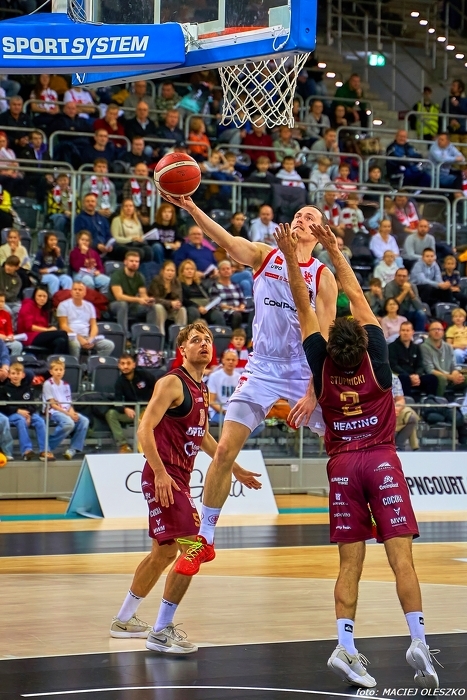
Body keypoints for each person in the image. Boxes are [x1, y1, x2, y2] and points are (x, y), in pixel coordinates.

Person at [273, 221, 439, 690]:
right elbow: (356, 295)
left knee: (350, 565)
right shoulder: (378, 361)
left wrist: (289, 258)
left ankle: (345, 646)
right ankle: (418, 641)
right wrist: (333, 247)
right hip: (382, 460)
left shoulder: (320, 365)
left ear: (329, 347)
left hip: (343, 466)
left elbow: (303, 305)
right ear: (365, 339)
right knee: (402, 561)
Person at [163, 198, 336, 576]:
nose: (300, 219)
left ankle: (362, 506)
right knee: (225, 449)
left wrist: (313, 391)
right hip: (261, 368)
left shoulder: (323, 276)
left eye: (309, 217)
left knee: (341, 441)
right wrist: (192, 209)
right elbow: (224, 239)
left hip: (303, 369)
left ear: (319, 233)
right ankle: (205, 538)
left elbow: (324, 338)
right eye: (297, 215)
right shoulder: (264, 255)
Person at [110, 323, 261, 651]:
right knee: (194, 548)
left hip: (176, 478)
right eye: (196, 340)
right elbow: (144, 429)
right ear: (182, 350)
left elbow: (202, 436)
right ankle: (161, 630)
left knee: (163, 553)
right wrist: (160, 473)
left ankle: (124, 619)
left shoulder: (202, 389)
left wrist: (233, 468)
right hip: (164, 478)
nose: (204, 344)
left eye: (208, 340)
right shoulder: (172, 383)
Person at [105, 354, 157, 454]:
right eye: (122, 364)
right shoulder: (119, 382)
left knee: (144, 416)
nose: (125, 366)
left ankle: (144, 449)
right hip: (132, 412)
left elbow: (158, 387)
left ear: (134, 364)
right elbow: (117, 401)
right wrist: (124, 409)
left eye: (128, 363)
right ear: (119, 366)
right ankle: (123, 446)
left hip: (148, 409)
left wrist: (152, 404)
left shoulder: (143, 375)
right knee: (111, 414)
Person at [0, 361, 52, 461]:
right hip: (12, 414)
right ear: (9, 375)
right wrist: (18, 410)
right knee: (21, 420)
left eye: (18, 373)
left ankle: (45, 451)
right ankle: (26, 451)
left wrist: (28, 414)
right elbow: (3, 407)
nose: (15, 376)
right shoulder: (3, 389)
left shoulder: (28, 389)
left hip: (28, 414)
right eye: (13, 373)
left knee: (40, 421)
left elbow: (33, 405)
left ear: (23, 375)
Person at [42, 358, 89, 460]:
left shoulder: (66, 385)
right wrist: (69, 415)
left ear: (64, 371)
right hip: (53, 411)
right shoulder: (48, 384)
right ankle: (47, 446)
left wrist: (73, 413)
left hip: (66, 411)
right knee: (69, 423)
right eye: (56, 370)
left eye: (61, 370)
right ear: (51, 371)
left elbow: (68, 403)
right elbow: (53, 405)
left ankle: (73, 449)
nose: (59, 372)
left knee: (84, 420)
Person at [56, 281, 114, 359]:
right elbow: (63, 326)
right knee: (75, 344)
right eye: (75, 289)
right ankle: (75, 364)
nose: (77, 292)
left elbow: (94, 325)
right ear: (71, 291)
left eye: (80, 290)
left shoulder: (89, 306)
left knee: (109, 345)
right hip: (71, 337)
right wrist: (79, 338)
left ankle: (93, 363)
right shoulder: (63, 305)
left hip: (87, 337)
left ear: (84, 293)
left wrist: (91, 339)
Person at [108, 250, 157, 335]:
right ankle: (124, 336)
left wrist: (147, 300)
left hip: (131, 305)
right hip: (115, 305)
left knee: (151, 307)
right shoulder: (117, 275)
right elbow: (119, 297)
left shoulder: (140, 276)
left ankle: (149, 334)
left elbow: (143, 294)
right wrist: (138, 300)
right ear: (125, 262)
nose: (134, 263)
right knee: (122, 304)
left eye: (137, 261)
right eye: (131, 261)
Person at [388, 321, 438, 398]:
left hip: (415, 377)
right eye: (403, 330)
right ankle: (408, 401)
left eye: (407, 330)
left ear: (412, 332)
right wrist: (409, 376)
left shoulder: (416, 347)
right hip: (401, 376)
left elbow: (420, 365)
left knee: (432, 378)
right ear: (399, 332)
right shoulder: (392, 347)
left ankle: (431, 400)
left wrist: (417, 375)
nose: (405, 333)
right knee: (404, 378)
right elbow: (394, 365)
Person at [17, 286, 69, 355]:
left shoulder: (44, 310)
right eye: (39, 296)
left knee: (60, 341)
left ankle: (56, 360)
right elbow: (29, 327)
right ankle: (67, 359)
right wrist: (48, 330)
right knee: (62, 333)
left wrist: (49, 330)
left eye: (44, 296)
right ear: (34, 296)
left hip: (41, 335)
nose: (42, 298)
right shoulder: (28, 305)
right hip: (28, 336)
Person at [420, 320, 467, 396]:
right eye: (434, 329)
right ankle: (438, 401)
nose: (437, 331)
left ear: (443, 332)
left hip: (450, 378)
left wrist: (456, 375)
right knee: (441, 378)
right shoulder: (423, 347)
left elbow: (454, 366)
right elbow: (429, 370)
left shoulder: (448, 347)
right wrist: (451, 377)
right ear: (429, 332)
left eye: (439, 329)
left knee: (464, 378)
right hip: (436, 378)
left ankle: (463, 403)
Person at [178, 259, 224, 325]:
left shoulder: (199, 284)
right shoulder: (179, 285)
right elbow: (183, 300)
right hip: (192, 306)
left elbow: (207, 296)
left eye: (192, 269)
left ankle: (220, 331)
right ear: (182, 272)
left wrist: (209, 306)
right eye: (187, 269)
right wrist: (198, 307)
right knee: (194, 312)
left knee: (217, 314)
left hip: (205, 307)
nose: (190, 271)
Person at [148, 260, 187, 335]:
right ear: (163, 271)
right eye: (168, 270)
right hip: (160, 308)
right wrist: (170, 303)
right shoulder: (156, 281)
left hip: (171, 309)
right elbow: (155, 298)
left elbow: (179, 297)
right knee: (158, 307)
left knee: (182, 309)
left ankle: (180, 336)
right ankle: (160, 335)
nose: (170, 273)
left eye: (172, 271)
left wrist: (177, 303)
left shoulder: (176, 282)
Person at [69, 230, 111, 294]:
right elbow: (76, 267)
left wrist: (99, 271)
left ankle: (102, 298)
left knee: (107, 281)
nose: (84, 242)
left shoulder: (94, 253)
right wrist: (83, 254)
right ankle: (90, 298)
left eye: (87, 240)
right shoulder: (74, 252)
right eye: (82, 240)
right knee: (88, 280)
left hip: (93, 274)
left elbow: (100, 267)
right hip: (80, 274)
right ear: (78, 240)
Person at [32, 232, 73, 297]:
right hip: (44, 276)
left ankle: (66, 298)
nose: (53, 242)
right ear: (46, 241)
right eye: (51, 240)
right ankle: (54, 299)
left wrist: (58, 255)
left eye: (55, 240)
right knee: (54, 279)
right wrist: (42, 271)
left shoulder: (56, 252)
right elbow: (34, 268)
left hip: (56, 274)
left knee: (68, 279)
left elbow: (62, 266)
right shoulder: (40, 252)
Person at [74, 193, 112, 257]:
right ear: (83, 204)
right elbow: (80, 238)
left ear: (96, 203)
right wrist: (96, 245)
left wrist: (109, 245)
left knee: (121, 249)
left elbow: (108, 234)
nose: (90, 203)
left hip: (105, 246)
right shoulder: (80, 219)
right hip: (90, 247)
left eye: (92, 201)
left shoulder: (102, 218)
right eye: (88, 201)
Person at [122, 162, 155, 232]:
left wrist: (151, 216)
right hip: (133, 216)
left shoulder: (152, 184)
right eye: (139, 171)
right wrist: (140, 217)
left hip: (150, 216)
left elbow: (156, 203)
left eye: (143, 171)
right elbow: (127, 203)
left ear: (147, 173)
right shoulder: (128, 184)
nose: (141, 173)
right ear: (134, 172)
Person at [393, 376, 420, 451]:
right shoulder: (365, 377)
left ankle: (399, 446)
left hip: (392, 407)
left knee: (410, 416)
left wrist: (397, 409)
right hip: (374, 411)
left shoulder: (393, 378)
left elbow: (400, 400)